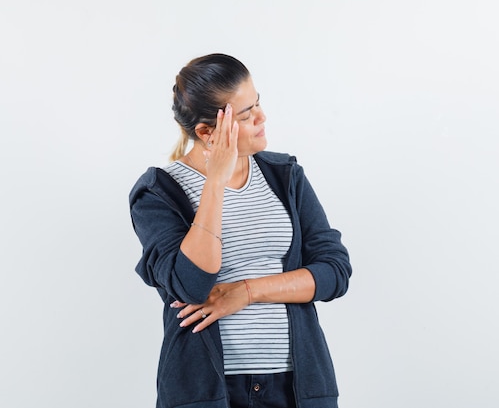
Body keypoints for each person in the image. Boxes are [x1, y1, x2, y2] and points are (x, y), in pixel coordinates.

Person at [129, 53, 352, 408]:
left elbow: (334, 272)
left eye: (258, 104)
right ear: (206, 132)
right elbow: (192, 284)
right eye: (246, 115)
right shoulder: (158, 192)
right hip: (206, 390)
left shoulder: (286, 176)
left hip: (299, 385)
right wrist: (215, 180)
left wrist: (247, 292)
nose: (262, 118)